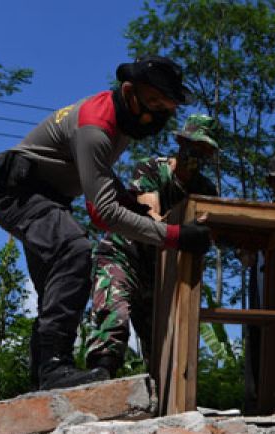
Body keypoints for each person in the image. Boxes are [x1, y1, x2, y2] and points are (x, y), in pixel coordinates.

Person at [0, 56, 213, 390]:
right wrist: (176, 236)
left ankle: (42, 376)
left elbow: (100, 176)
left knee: (56, 287)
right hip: (18, 193)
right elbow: (103, 213)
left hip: (47, 198)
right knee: (73, 251)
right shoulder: (97, 125)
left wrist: (128, 199)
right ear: (130, 91)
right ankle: (53, 368)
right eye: (153, 103)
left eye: (167, 107)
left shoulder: (123, 123)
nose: (158, 114)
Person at [84, 113, 221, 377]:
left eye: (205, 151)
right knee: (113, 319)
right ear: (181, 142)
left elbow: (211, 229)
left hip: (158, 272)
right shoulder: (151, 168)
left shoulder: (205, 189)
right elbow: (150, 215)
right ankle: (99, 376)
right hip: (123, 255)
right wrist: (182, 231)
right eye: (195, 147)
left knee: (161, 346)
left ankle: (160, 403)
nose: (198, 155)